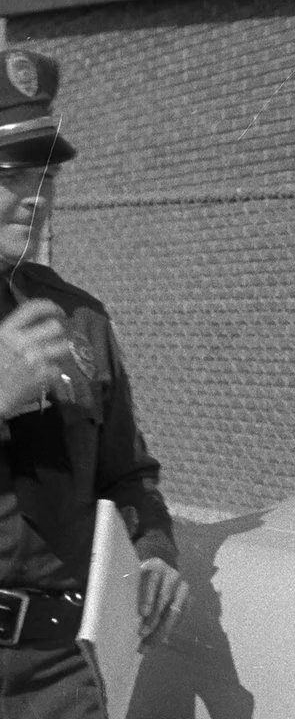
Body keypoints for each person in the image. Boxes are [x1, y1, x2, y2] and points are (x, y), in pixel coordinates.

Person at [0, 48, 187, 716]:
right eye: (12, 175)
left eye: (46, 175)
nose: (38, 196)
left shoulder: (79, 318)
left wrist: (153, 551)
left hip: (62, 675)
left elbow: (127, 475)